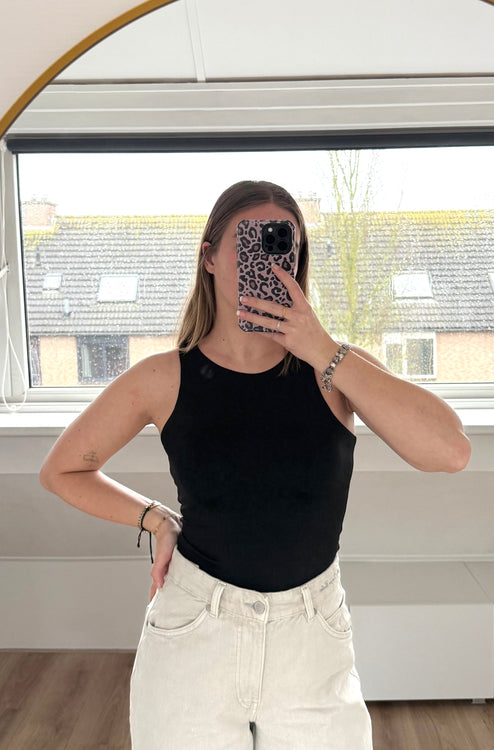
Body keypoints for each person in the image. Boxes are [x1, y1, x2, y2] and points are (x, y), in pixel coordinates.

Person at [39, 180, 471, 750]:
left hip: (312, 638)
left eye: (281, 243)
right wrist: (156, 518)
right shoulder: (163, 377)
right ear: (209, 256)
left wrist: (321, 347)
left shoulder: (334, 370)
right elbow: (62, 469)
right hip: (193, 633)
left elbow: (451, 451)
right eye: (250, 240)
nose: (266, 258)